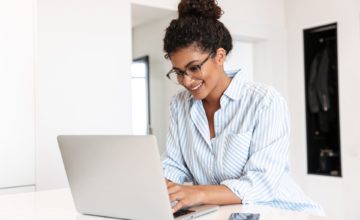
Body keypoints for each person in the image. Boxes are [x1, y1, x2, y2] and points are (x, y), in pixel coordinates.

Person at [161, 0, 324, 216]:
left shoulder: (264, 102)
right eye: (179, 72)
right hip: (227, 215)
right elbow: (174, 164)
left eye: (194, 68)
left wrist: (196, 193)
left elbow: (261, 183)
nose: (187, 81)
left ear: (220, 56)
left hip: (283, 212)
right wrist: (161, 187)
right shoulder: (179, 105)